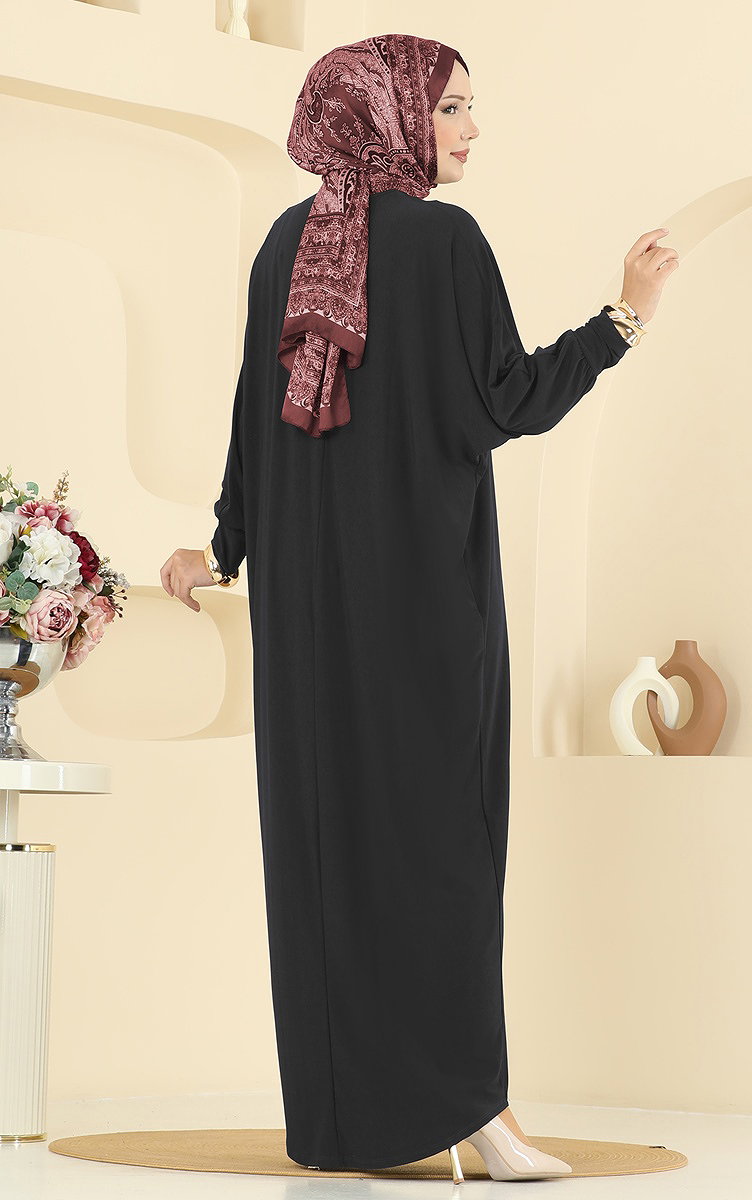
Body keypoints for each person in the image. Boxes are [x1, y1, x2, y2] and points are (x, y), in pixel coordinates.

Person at [160, 33, 679, 1182]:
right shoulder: (443, 242)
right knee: (441, 846)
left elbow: (254, 420)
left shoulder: (284, 248)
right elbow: (507, 402)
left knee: (328, 847)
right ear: (389, 113)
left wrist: (223, 548)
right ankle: (474, 1115)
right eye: (449, 107)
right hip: (421, 608)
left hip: (306, 617)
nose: (469, 128)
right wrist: (624, 317)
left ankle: (344, 1126)